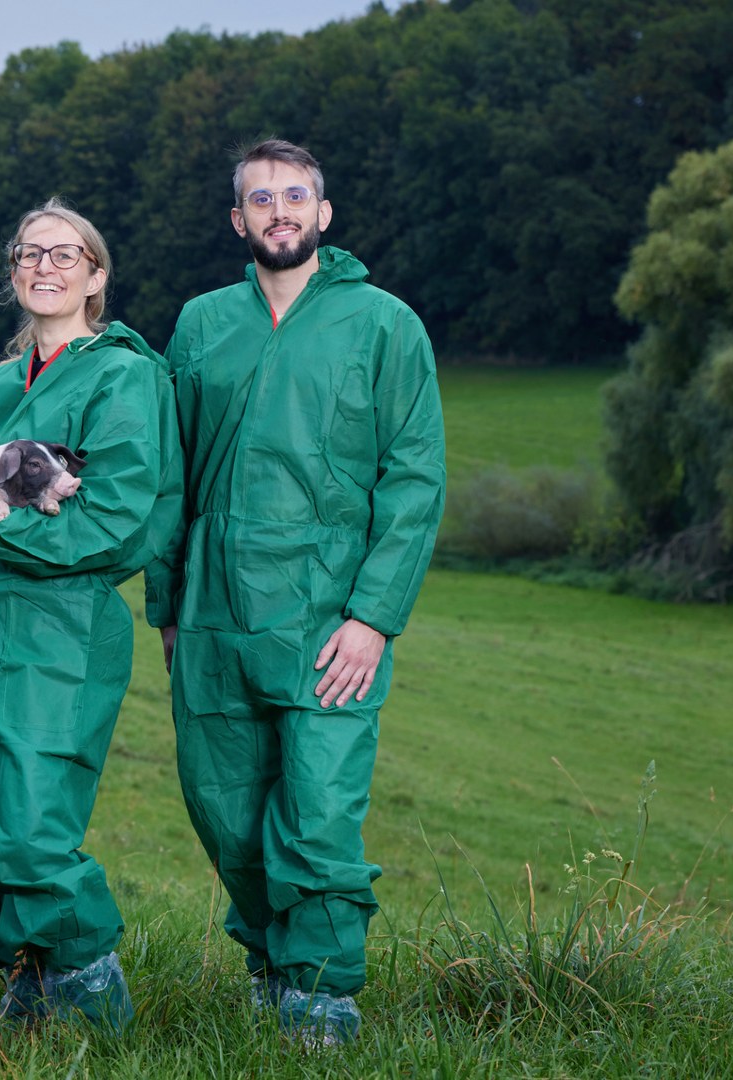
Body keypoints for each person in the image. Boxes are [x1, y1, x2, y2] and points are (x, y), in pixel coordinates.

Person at [149, 139, 446, 1048]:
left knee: (317, 811)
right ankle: (269, 962)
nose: (279, 210)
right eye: (259, 198)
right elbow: (172, 474)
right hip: (213, 615)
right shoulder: (201, 324)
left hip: (329, 622)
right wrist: (168, 606)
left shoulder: (385, 325)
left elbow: (415, 479)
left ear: (324, 214)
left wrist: (374, 618)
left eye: (296, 196)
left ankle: (320, 993)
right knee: (225, 808)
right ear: (238, 221)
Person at [0, 199, 182, 1033]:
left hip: (53, 642)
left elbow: (120, 519)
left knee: (31, 827)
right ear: (14, 272)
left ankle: (93, 998)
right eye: (29, 253)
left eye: (65, 254)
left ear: (96, 275)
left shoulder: (124, 374)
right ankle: (33, 985)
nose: (44, 267)